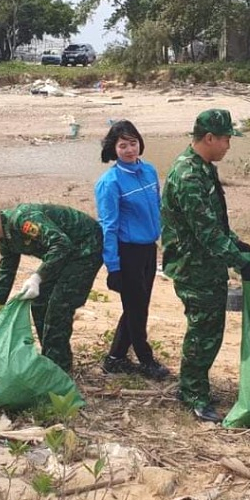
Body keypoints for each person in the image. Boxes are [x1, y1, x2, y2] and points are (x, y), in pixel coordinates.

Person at [161, 109, 250, 422]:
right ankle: (192, 394)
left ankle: (193, 385)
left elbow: (214, 221)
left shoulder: (203, 167)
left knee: (209, 330)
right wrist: (239, 263)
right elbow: (205, 232)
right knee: (203, 332)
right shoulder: (189, 175)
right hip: (194, 267)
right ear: (209, 138)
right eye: (226, 139)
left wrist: (236, 242)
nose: (229, 146)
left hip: (206, 265)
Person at [0, 198, 102, 373]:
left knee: (59, 307)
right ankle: (51, 358)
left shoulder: (23, 220)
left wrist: (37, 277)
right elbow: (6, 273)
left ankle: (60, 370)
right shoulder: (6, 238)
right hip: (63, 254)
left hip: (85, 248)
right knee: (39, 302)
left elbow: (61, 244)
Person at [95, 120, 169, 380]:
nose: (129, 150)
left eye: (133, 143)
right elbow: (109, 227)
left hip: (149, 248)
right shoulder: (110, 182)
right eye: (122, 145)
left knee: (137, 305)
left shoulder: (148, 171)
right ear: (113, 148)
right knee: (138, 309)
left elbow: (160, 209)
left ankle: (115, 358)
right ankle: (146, 361)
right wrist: (113, 267)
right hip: (127, 253)